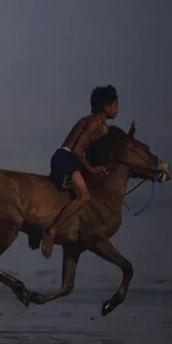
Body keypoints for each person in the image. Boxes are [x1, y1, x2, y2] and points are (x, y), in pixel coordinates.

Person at [42, 85, 119, 257]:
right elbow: (77, 150)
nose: (117, 109)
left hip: (62, 156)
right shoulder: (95, 124)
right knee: (84, 196)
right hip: (68, 158)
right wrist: (90, 169)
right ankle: (51, 232)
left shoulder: (89, 120)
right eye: (115, 105)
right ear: (106, 107)